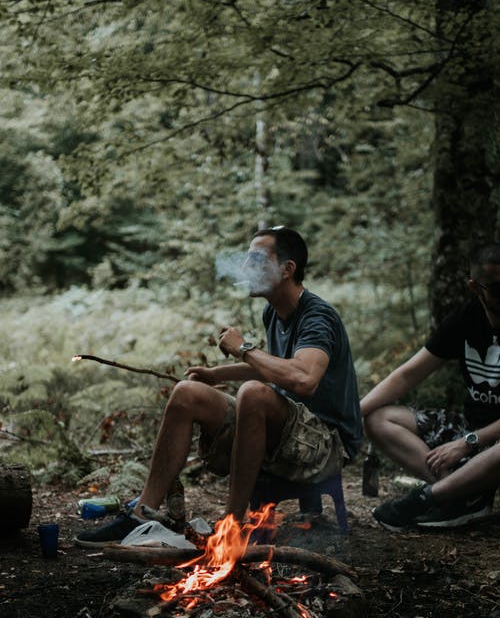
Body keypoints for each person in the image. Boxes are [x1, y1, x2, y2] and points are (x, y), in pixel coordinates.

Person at [76, 226, 362, 547]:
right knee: (188, 393)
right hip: (289, 433)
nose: (245, 269)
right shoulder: (274, 312)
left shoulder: (317, 317)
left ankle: (232, 526)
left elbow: (304, 379)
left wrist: (244, 348)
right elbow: (276, 369)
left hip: (326, 444)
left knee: (252, 394)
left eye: (256, 260)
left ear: (287, 269)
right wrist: (216, 374)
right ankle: (143, 513)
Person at [361, 246, 500, 531]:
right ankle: (462, 499)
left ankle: (424, 499)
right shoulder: (467, 317)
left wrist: (468, 442)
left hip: (488, 439)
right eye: (498, 287)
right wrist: (349, 416)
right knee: (377, 418)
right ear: (476, 287)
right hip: (471, 428)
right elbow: (408, 375)